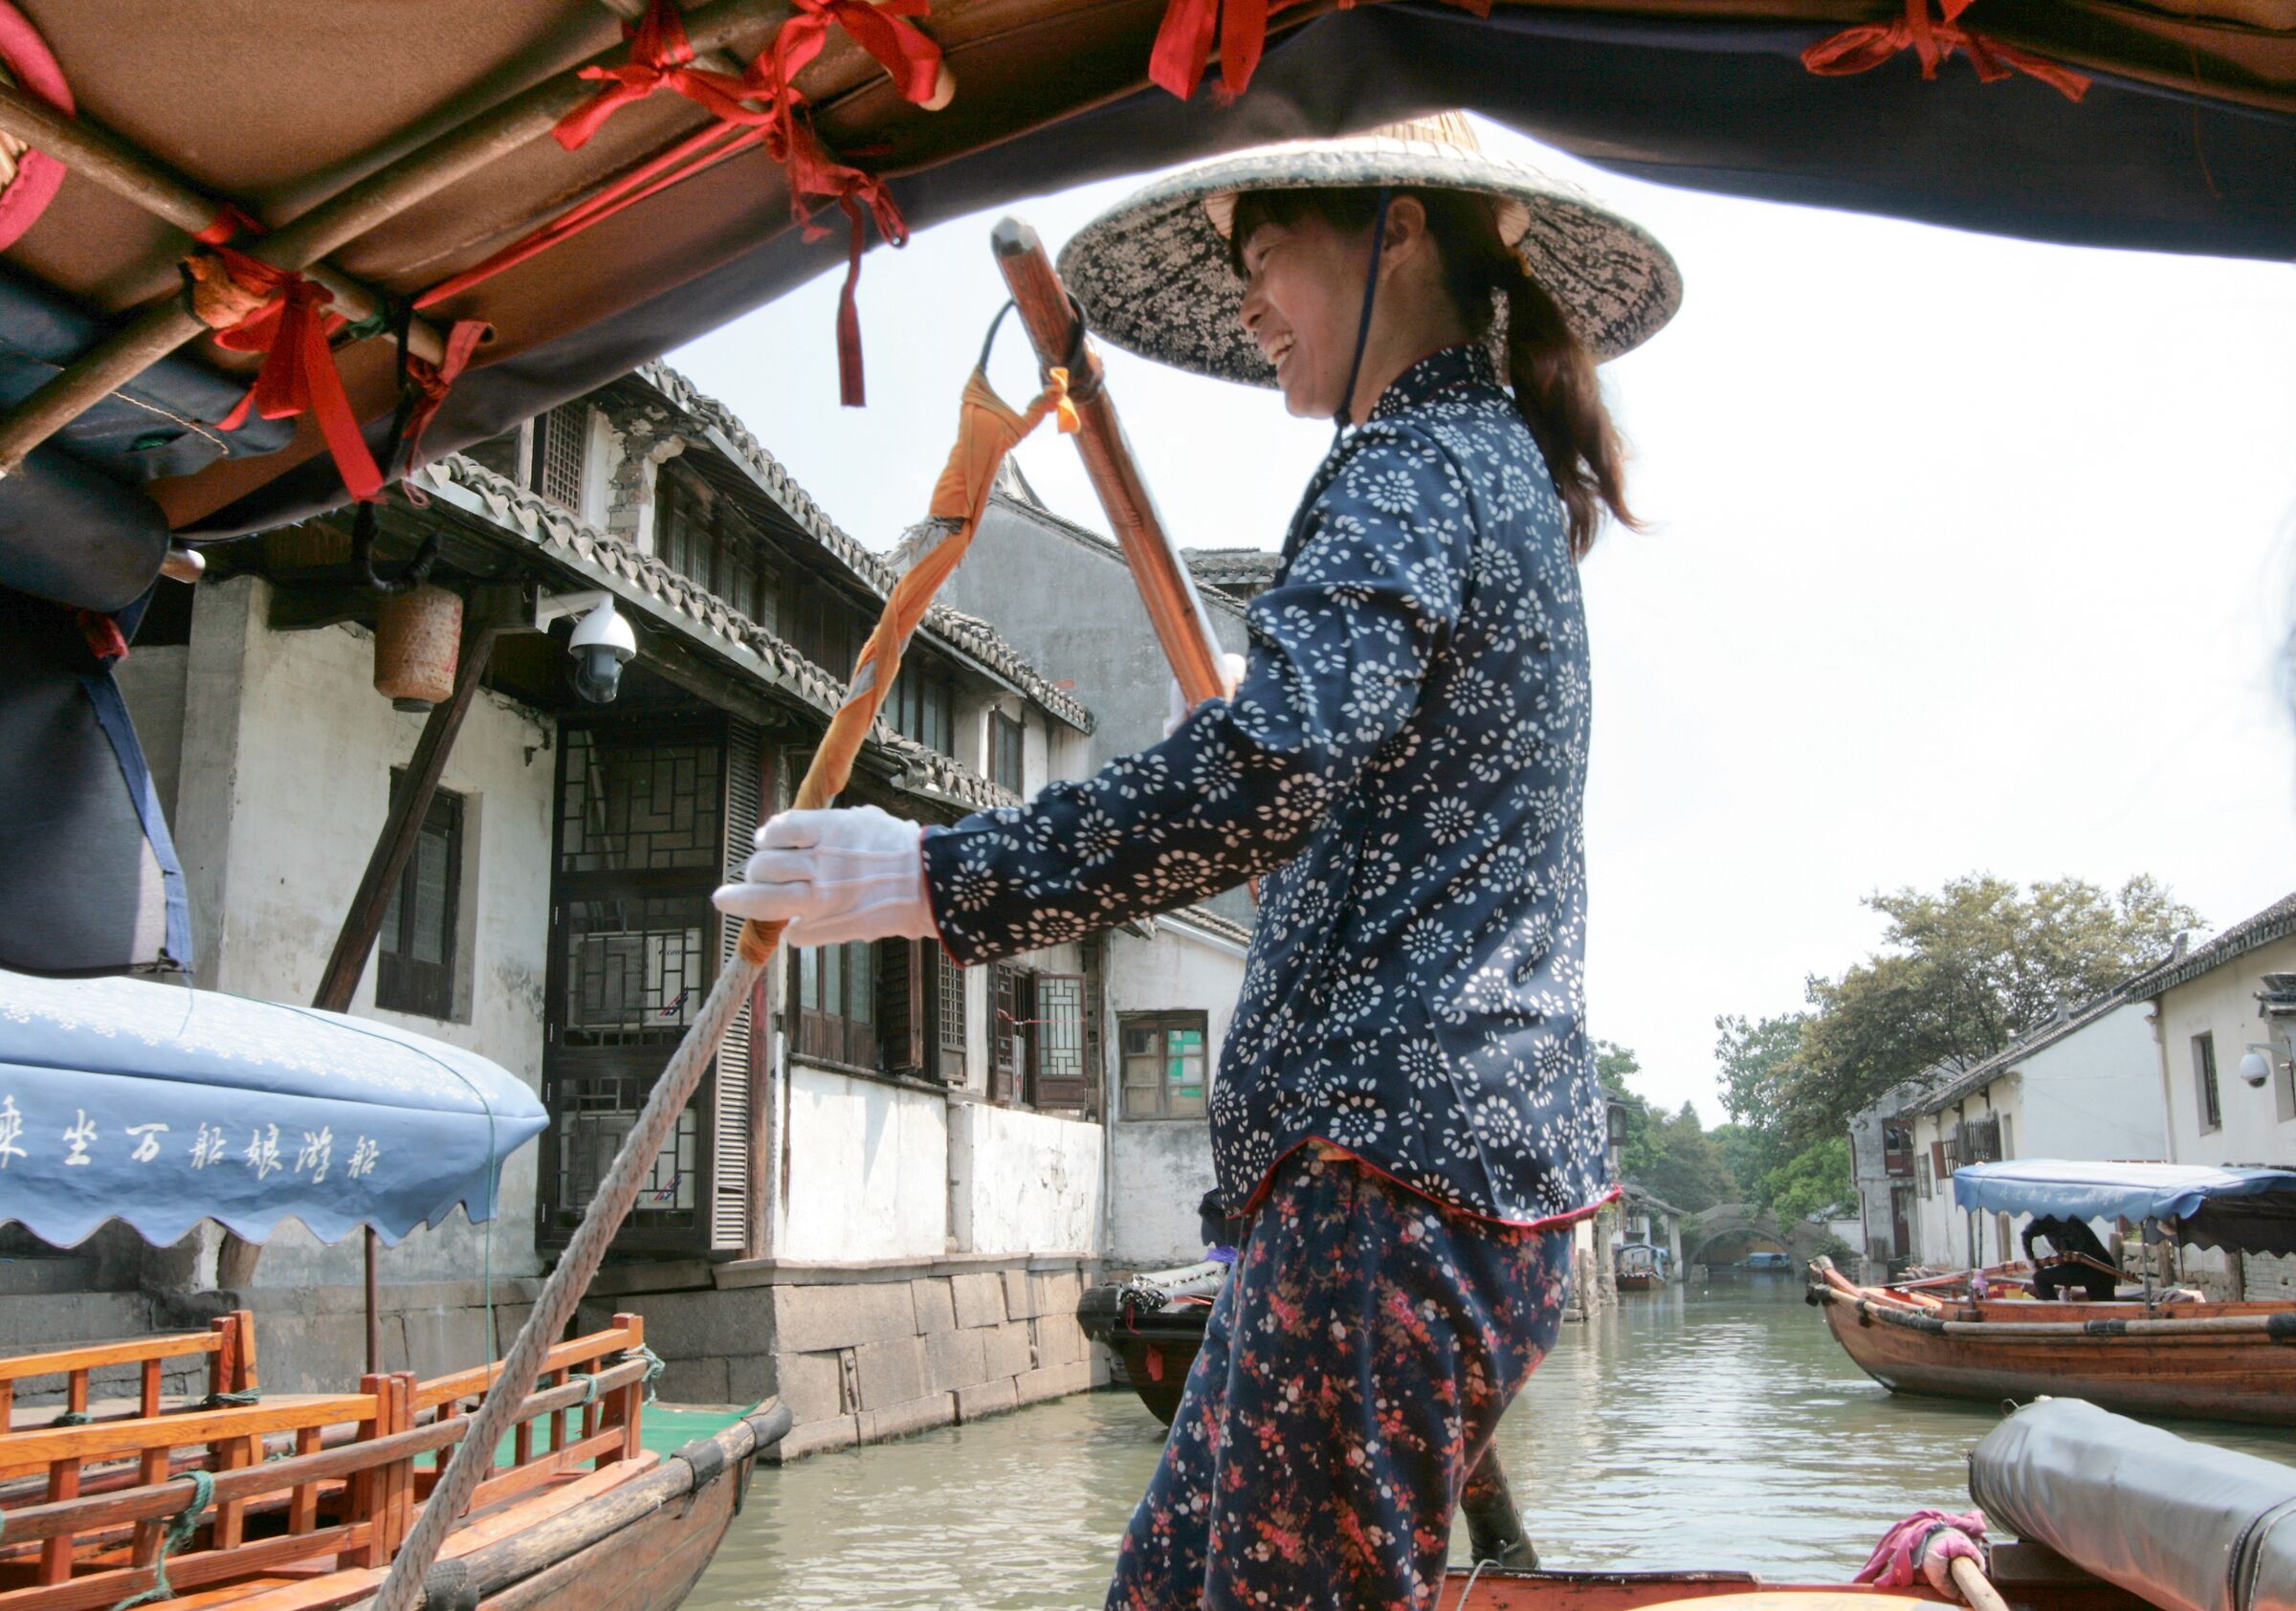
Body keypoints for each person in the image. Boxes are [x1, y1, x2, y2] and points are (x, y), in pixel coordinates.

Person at [713, 114, 1680, 1610]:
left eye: (1264, 253)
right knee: (1169, 1582)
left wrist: (932, 876)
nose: (1247, 305)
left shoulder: (1421, 457)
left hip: (1397, 1177)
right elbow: (1319, 786)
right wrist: (1232, 743)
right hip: (1405, 1179)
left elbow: (1274, 770)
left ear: (1398, 230)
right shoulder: (1476, 463)